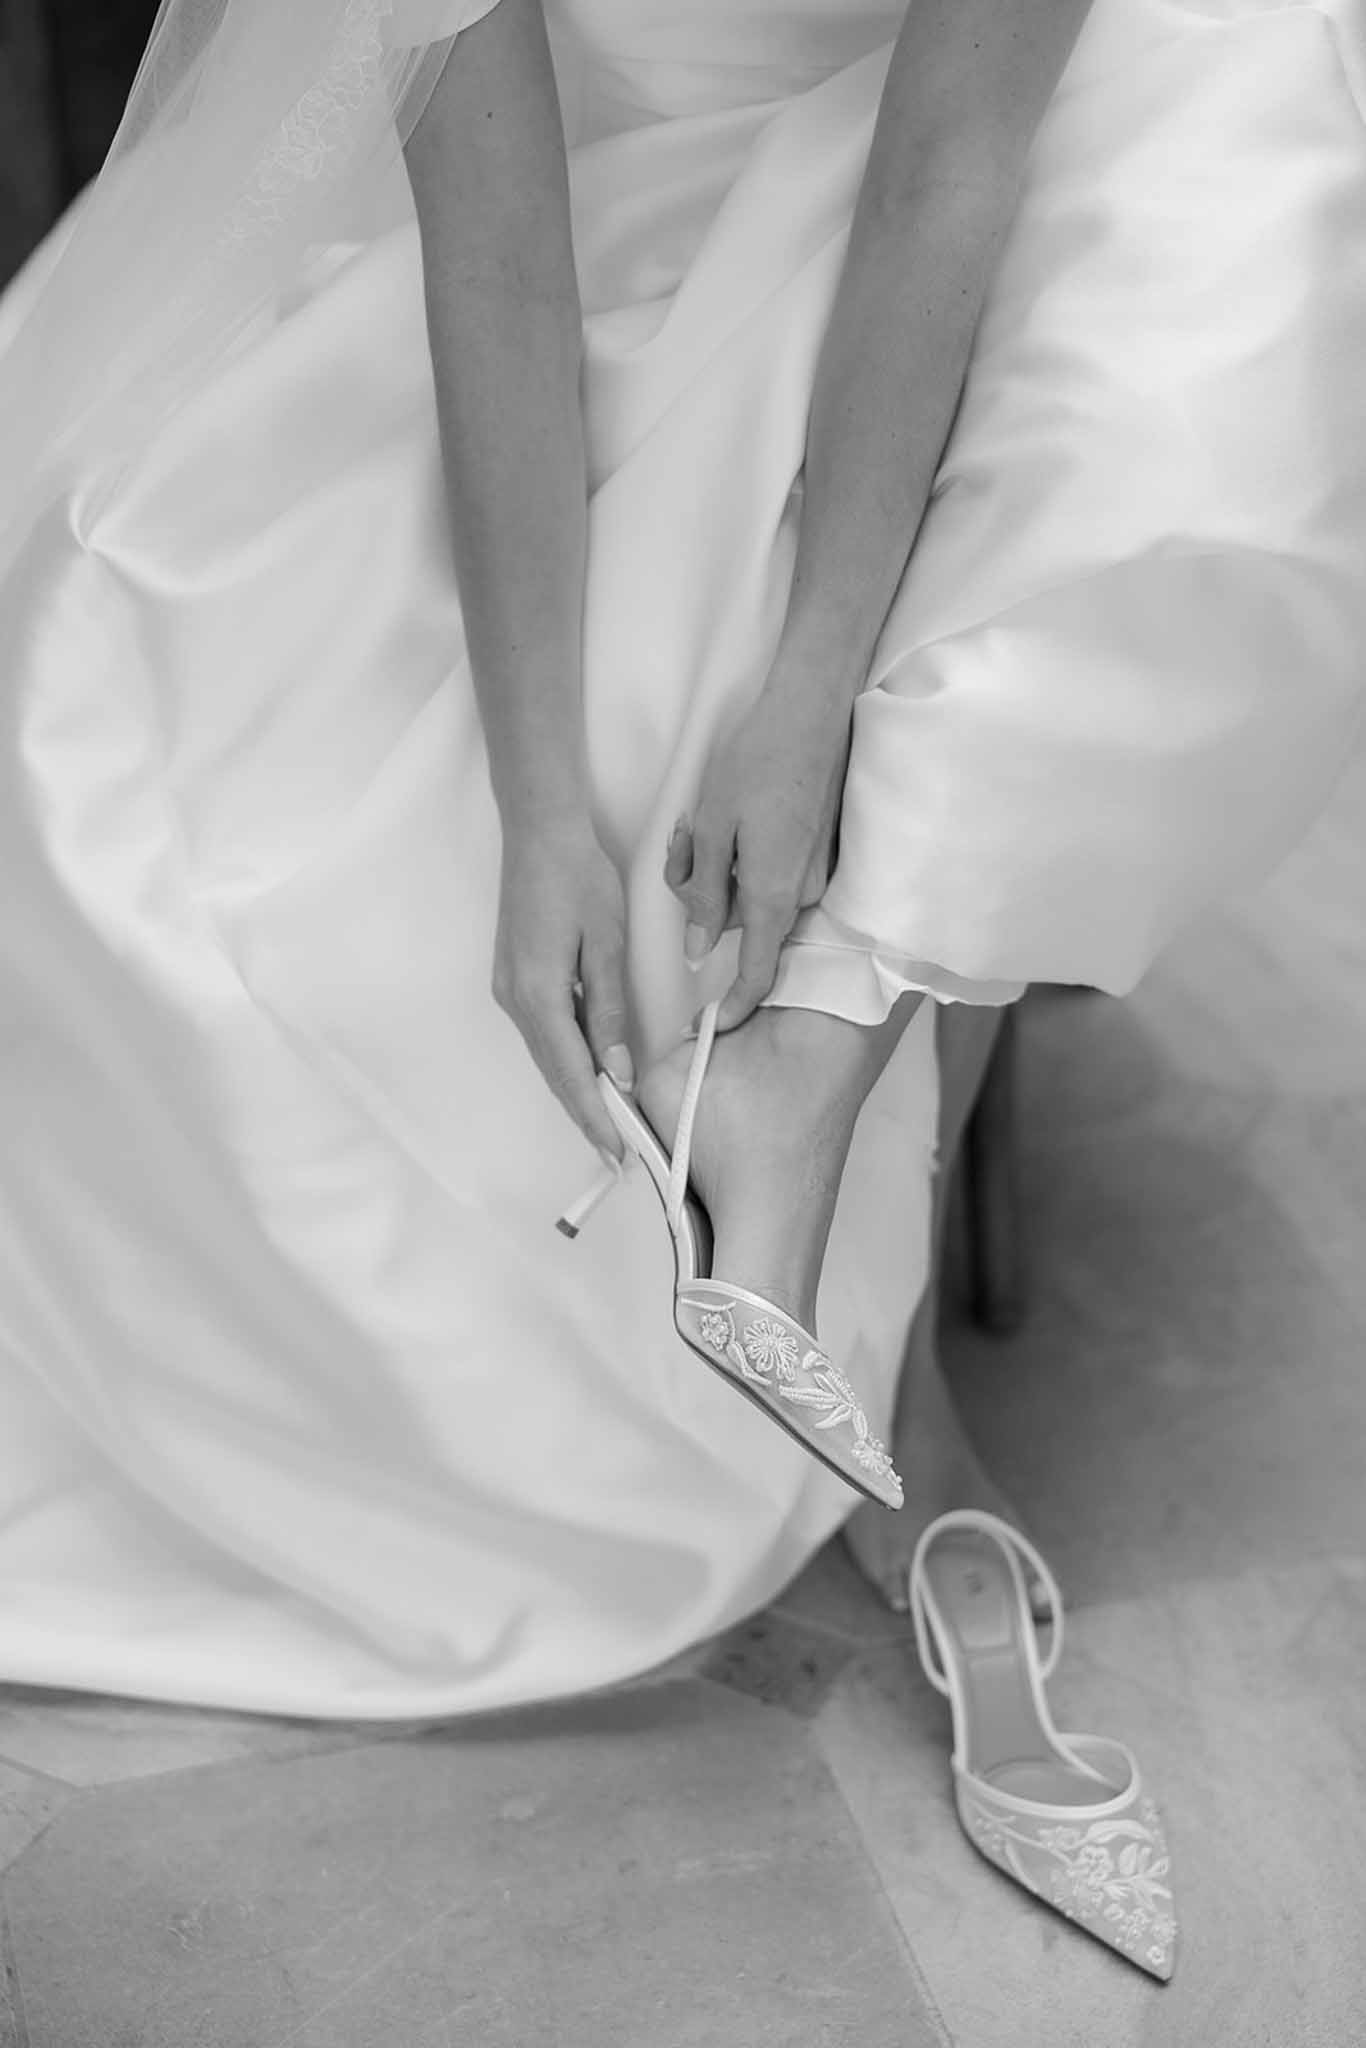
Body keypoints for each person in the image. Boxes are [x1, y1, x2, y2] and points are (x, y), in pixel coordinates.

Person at [0, 0, 1361, 1718]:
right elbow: (496, 266)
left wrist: (803, 687)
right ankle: (784, 1170)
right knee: (199, 729)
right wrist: (541, 807)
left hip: (987, 190)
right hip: (598, 236)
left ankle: (817, 1077)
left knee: (1217, 164)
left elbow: (947, 166)